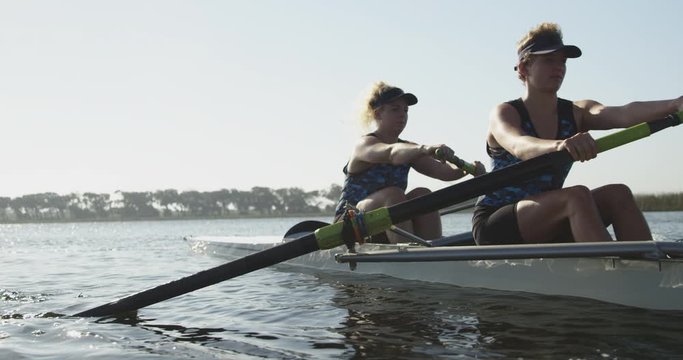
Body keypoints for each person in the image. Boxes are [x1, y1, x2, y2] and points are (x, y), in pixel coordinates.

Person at [472, 22, 683, 245]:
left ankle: (648, 268)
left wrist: (674, 104)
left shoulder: (577, 112)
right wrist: (559, 146)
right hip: (496, 223)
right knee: (576, 196)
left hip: (549, 215)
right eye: (548, 60)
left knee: (618, 194)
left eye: (562, 61)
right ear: (524, 68)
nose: (559, 67)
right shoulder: (504, 112)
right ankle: (611, 272)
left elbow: (623, 114)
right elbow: (519, 145)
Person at [335, 81, 485, 244]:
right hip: (350, 223)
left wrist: (468, 169)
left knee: (423, 193)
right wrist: (425, 149)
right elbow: (392, 153)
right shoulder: (364, 145)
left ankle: (434, 252)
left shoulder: (409, 148)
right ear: (378, 114)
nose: (402, 115)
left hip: (387, 224)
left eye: (405, 110)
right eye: (395, 109)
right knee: (393, 194)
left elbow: (444, 172)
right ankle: (407, 252)